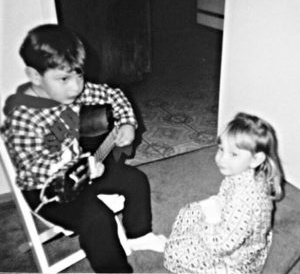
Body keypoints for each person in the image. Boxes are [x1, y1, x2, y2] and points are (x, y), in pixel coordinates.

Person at [1, 24, 166, 273]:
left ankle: (138, 234)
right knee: (97, 219)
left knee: (135, 180)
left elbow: (114, 95)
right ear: (35, 76)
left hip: (84, 171)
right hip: (48, 191)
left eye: (78, 74)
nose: (76, 86)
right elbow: (34, 167)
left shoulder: (70, 93)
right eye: (64, 78)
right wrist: (80, 167)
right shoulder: (24, 118)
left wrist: (127, 123)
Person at [164, 112, 284, 274]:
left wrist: (205, 225)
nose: (221, 158)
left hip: (237, 256)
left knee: (175, 253)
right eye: (221, 149)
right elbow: (227, 197)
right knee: (189, 212)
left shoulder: (245, 200)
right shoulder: (243, 172)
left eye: (233, 154)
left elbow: (222, 244)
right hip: (233, 224)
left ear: (256, 159)